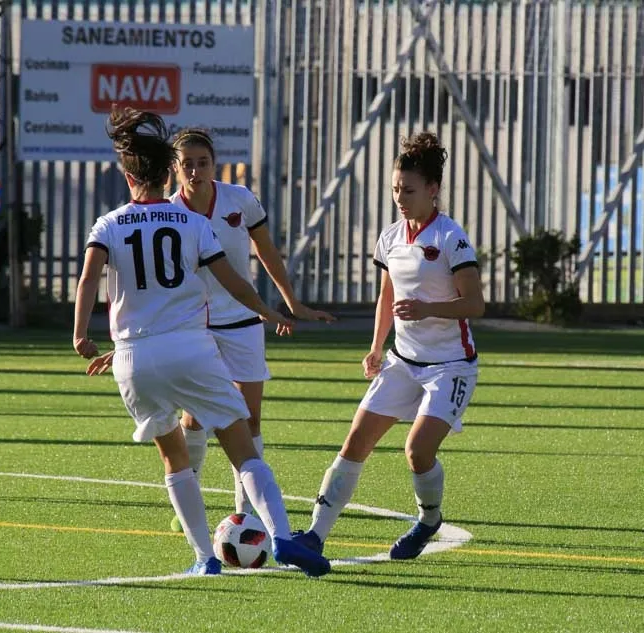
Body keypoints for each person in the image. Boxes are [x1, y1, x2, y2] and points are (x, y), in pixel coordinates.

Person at [74, 105, 330, 577]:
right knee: (244, 446)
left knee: (174, 459)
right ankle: (280, 536)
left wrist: (81, 335)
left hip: (135, 358)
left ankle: (204, 559)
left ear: (128, 177)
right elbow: (233, 282)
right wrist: (272, 310)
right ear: (167, 173)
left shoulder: (107, 224)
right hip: (192, 348)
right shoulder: (190, 223)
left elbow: (90, 279)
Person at [291, 132, 485, 560]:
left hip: (450, 366)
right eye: (395, 189)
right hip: (402, 361)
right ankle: (314, 536)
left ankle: (429, 520)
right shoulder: (391, 237)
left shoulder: (451, 238)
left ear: (433, 189)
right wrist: (377, 346)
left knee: (417, 451)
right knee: (354, 443)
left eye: (408, 190)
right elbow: (387, 295)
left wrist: (428, 308)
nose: (400, 198)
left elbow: (475, 304)